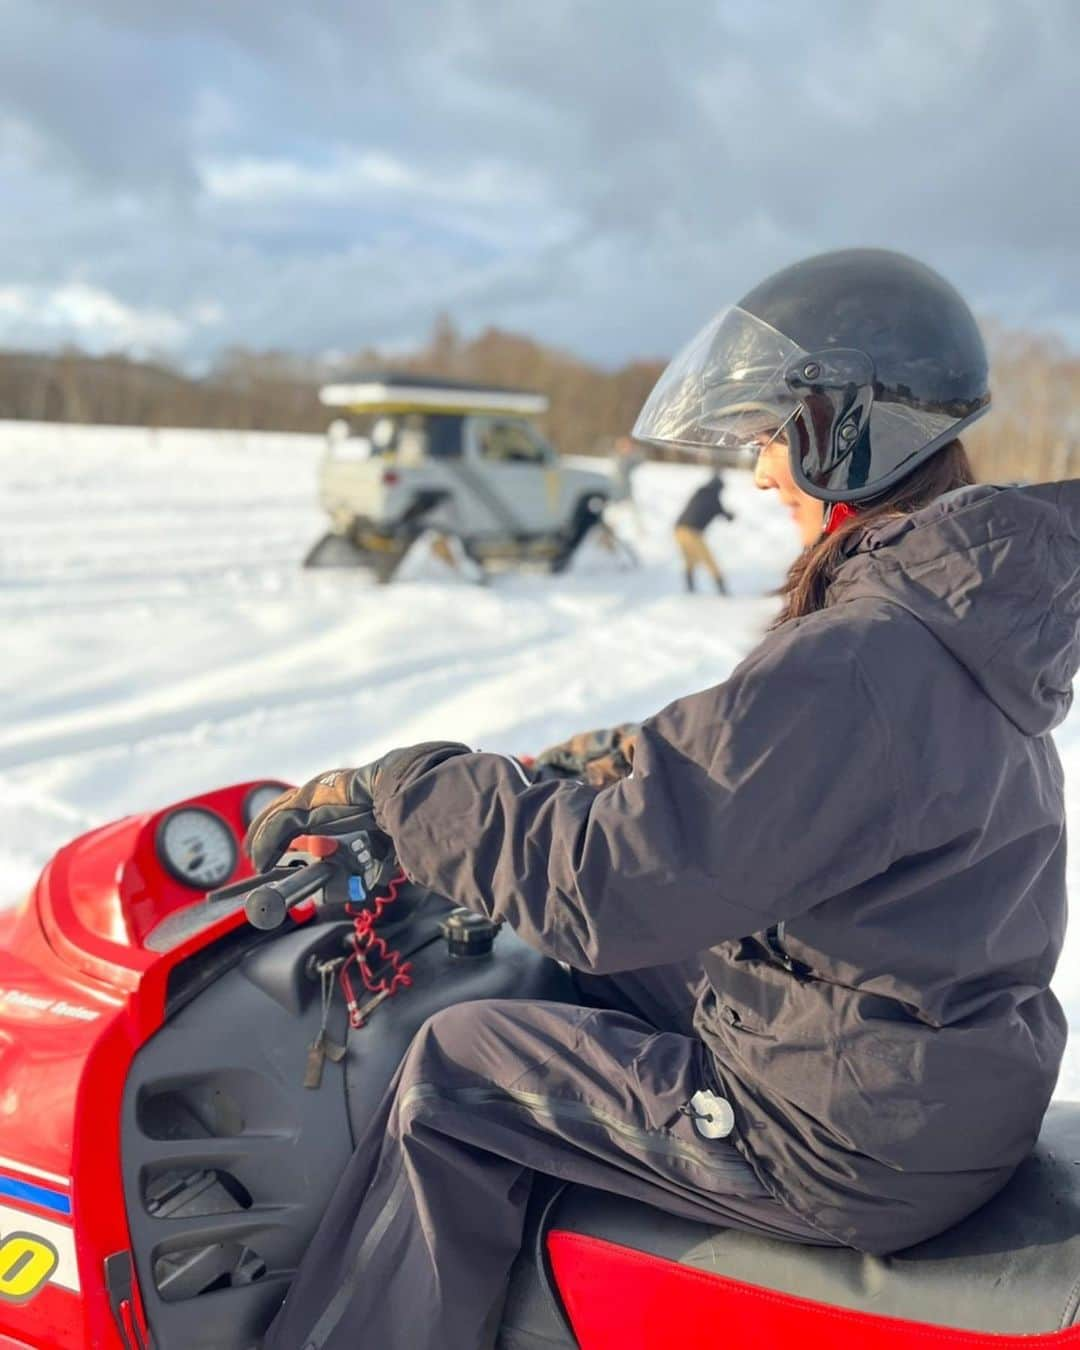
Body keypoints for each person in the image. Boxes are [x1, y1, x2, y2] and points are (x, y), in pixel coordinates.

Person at [248, 249, 1080, 1350]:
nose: (760, 473)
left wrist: (410, 799)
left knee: (460, 1068)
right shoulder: (952, 623)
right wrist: (607, 765)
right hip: (929, 1077)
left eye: (768, 437)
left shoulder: (864, 658)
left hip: (846, 1138)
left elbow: (608, 884)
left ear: (842, 431)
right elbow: (759, 783)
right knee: (576, 968)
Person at [673, 469, 735, 592]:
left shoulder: (701, 491)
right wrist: (730, 515)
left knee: (689, 559)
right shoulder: (714, 499)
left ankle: (690, 588)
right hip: (692, 532)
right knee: (708, 559)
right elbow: (725, 515)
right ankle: (721, 588)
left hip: (678, 530)